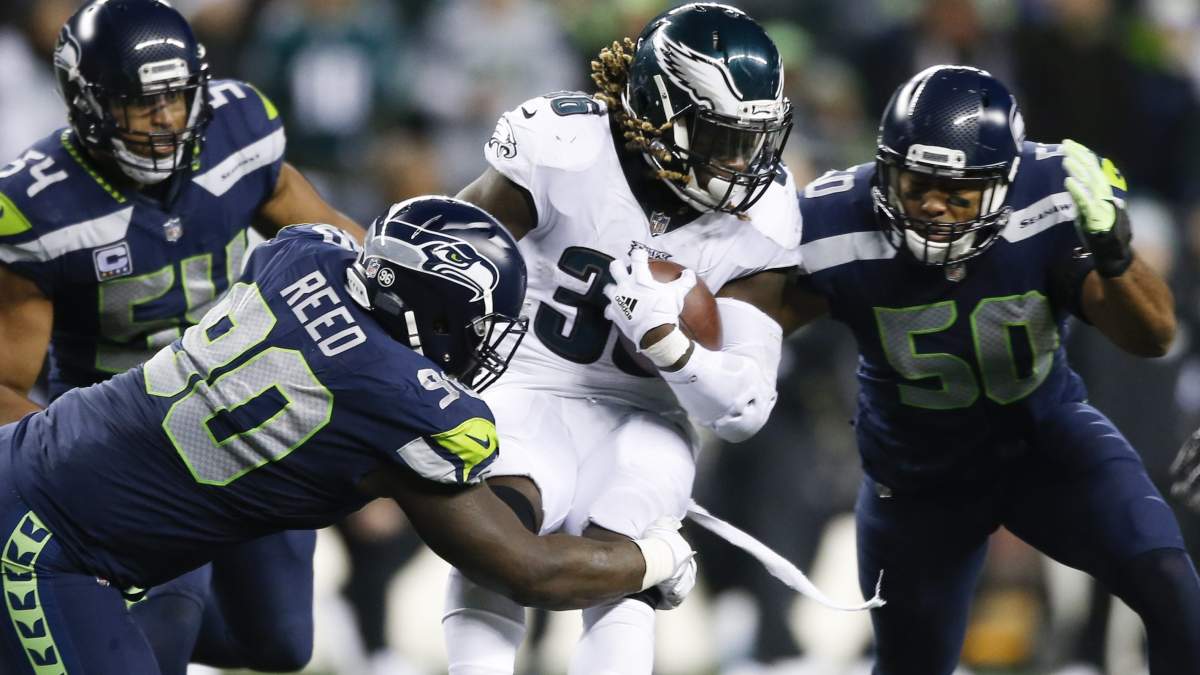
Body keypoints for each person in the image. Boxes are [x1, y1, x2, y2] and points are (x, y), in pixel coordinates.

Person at [0, 195, 697, 674]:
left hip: (53, 472)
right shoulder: (401, 401)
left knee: (277, 639)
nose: (486, 346)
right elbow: (526, 569)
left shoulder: (301, 256)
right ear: (440, 315)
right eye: (482, 326)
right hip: (47, 542)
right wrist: (656, 556)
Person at [782, 65, 1200, 674]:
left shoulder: (1050, 193)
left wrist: (1114, 253)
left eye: (958, 194)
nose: (933, 207)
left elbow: (1153, 335)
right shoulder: (835, 219)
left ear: (1004, 184)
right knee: (910, 665)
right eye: (917, 185)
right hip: (917, 476)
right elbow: (746, 329)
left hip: (1048, 443)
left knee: (1173, 590)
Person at [0, 1, 365, 672]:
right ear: (86, 104)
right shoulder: (39, 207)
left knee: (279, 645)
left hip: (244, 405)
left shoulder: (239, 130)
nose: (167, 118)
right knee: (164, 627)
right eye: (142, 103)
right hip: (126, 434)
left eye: (176, 96)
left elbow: (339, 248)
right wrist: (80, 464)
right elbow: (3, 389)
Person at [446, 4, 801, 673]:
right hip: (526, 383)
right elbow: (450, 258)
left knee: (625, 539)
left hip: (648, 414)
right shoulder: (565, 146)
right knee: (496, 528)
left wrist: (670, 346)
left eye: (752, 139)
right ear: (659, 109)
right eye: (721, 135)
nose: (741, 161)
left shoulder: (769, 210)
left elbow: (744, 409)